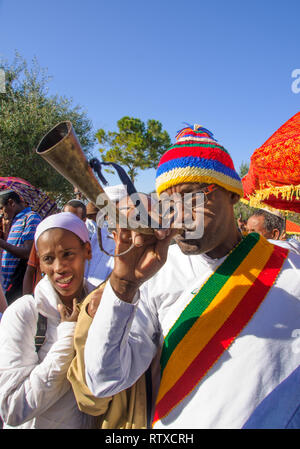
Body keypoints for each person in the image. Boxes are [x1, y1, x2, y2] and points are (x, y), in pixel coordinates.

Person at [84, 124, 300, 429]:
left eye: (191, 197)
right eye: (168, 201)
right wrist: (123, 285)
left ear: (232, 196)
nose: (178, 213)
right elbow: (104, 380)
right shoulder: (154, 274)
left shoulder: (291, 264)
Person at [0, 212, 97, 429]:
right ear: (40, 265)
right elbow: (12, 409)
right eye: (48, 259)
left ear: (87, 251)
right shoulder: (24, 313)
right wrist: (68, 337)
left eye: (68, 254)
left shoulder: (100, 306)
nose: (59, 267)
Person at [0, 190, 41, 304]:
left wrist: (2, 243)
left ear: (11, 203)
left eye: (1, 208)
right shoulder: (15, 221)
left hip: (19, 285)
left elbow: (28, 253)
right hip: (8, 285)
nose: (1, 213)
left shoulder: (31, 218)